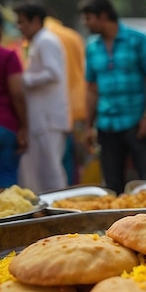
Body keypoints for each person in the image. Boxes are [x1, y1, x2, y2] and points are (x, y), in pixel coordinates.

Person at [78, 0, 146, 194]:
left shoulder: (138, 40)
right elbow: (92, 89)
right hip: (107, 125)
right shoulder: (92, 47)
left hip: (136, 122)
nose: (85, 23)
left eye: (89, 18)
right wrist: (89, 126)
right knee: (112, 183)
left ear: (103, 16)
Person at [14, 0, 70, 193]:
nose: (19, 27)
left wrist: (25, 80)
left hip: (48, 119)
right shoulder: (40, 40)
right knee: (39, 171)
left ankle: (58, 213)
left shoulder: (46, 40)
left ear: (36, 20)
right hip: (43, 118)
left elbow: (54, 73)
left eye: (22, 22)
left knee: (51, 172)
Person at [0, 6, 28, 189]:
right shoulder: (7, 56)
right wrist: (24, 127)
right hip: (5, 127)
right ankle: (9, 218)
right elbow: (17, 93)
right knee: (5, 176)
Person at [44, 15, 87, 185]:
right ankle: (78, 188)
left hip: (59, 105)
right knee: (77, 157)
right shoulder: (73, 35)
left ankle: (69, 191)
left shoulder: (46, 37)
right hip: (79, 102)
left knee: (62, 156)